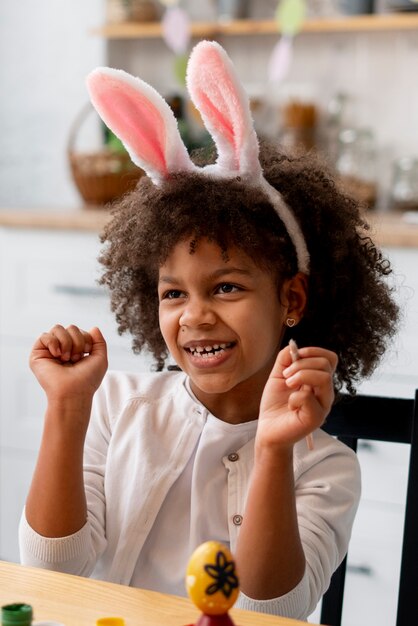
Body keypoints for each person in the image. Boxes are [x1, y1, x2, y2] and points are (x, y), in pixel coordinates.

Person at [19, 41, 398, 620]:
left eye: (226, 288)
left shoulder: (324, 466)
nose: (194, 315)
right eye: (174, 293)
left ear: (291, 298)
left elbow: (275, 607)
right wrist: (68, 409)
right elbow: (52, 570)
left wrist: (272, 448)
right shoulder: (115, 406)